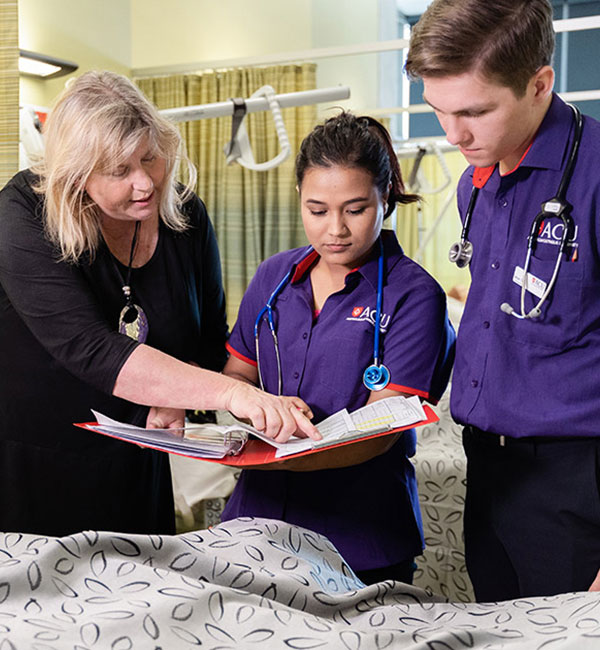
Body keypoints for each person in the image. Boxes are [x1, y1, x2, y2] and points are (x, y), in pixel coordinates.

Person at [0, 71, 318, 537]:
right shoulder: (25, 213)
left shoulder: (184, 216)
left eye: (151, 157)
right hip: (32, 462)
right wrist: (233, 394)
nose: (146, 182)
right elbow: (90, 348)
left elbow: (208, 339)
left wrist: (175, 399)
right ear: (77, 174)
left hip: (136, 461)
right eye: (119, 171)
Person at [406, 0, 600, 600]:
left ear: (540, 84)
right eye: (439, 111)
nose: (453, 134)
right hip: (487, 471)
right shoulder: (475, 183)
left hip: (575, 479)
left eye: (475, 112)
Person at [221, 112, 455, 585]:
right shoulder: (273, 279)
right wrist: (263, 407)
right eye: (317, 209)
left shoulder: (414, 297)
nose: (335, 230)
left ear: (384, 199)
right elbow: (236, 377)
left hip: (360, 535)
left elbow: (382, 429)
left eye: (354, 209)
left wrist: (271, 451)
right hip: (255, 524)